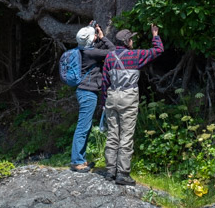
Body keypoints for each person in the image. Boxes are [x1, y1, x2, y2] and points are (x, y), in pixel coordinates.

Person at [101, 23, 164, 185]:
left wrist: (103, 101)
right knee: (126, 136)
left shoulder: (109, 57)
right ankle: (122, 173)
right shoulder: (135, 56)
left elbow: (105, 82)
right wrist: (155, 35)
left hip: (112, 96)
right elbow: (158, 50)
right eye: (131, 39)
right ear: (128, 42)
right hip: (128, 97)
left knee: (113, 134)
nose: (133, 42)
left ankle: (110, 171)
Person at [70, 22, 115, 172]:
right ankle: (77, 161)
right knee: (83, 127)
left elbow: (98, 50)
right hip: (88, 93)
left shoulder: (82, 50)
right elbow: (113, 51)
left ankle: (80, 159)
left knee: (85, 126)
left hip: (83, 91)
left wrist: (92, 33)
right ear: (91, 39)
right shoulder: (90, 53)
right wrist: (102, 37)